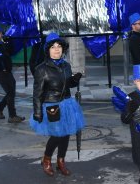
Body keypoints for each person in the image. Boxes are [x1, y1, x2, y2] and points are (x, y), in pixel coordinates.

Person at [30, 33, 85, 177]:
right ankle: (46, 159)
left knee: (66, 134)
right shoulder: (41, 69)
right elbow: (37, 93)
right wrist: (37, 112)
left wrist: (75, 79)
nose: (56, 50)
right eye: (53, 47)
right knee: (56, 135)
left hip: (67, 104)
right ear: (48, 50)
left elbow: (67, 85)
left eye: (59, 46)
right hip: (51, 106)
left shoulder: (65, 65)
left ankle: (61, 161)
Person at [0, 25, 25, 123]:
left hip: (8, 72)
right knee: (10, 93)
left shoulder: (2, 44)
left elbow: (11, 52)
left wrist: (10, 41)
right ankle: (12, 116)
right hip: (1, 73)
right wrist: (3, 67)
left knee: (11, 93)